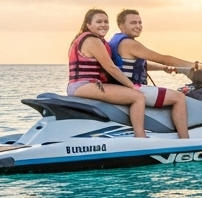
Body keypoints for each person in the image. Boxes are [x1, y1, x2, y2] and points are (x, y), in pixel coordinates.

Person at [67, 8, 189, 139]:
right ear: (88, 25)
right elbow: (111, 67)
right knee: (138, 96)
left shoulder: (102, 41)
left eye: (106, 22)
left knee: (137, 95)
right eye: (99, 22)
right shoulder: (93, 40)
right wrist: (131, 86)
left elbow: (129, 65)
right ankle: (141, 136)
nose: (103, 24)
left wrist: (163, 68)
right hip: (84, 85)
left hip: (83, 85)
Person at [108, 9, 202, 130]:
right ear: (121, 25)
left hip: (121, 88)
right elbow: (164, 58)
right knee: (179, 97)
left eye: (140, 22)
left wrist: (163, 68)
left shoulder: (116, 41)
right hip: (132, 88)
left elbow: (133, 64)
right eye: (133, 23)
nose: (138, 26)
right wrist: (195, 65)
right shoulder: (129, 43)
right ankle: (185, 140)